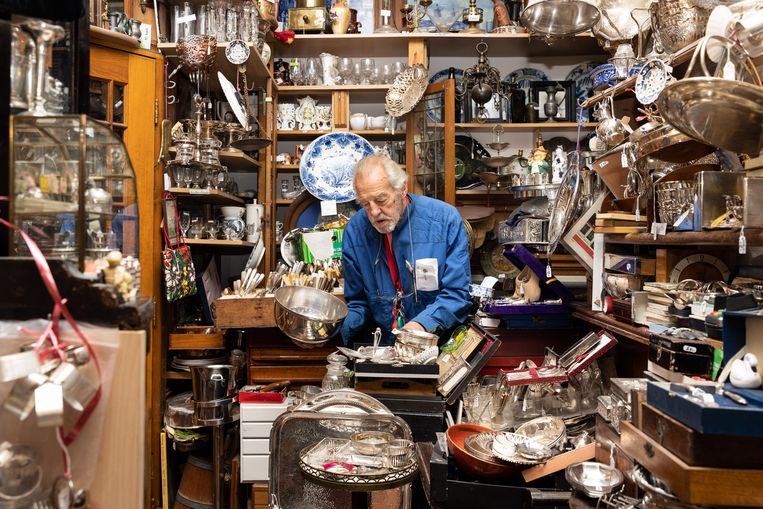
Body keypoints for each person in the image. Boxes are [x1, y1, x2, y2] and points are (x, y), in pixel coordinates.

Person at [340, 154, 472, 346]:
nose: (374, 212)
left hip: (436, 344)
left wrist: (421, 325)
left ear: (402, 189)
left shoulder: (444, 220)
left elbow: (456, 294)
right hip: (382, 347)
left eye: (381, 200)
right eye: (366, 204)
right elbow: (358, 304)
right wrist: (331, 328)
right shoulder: (355, 231)